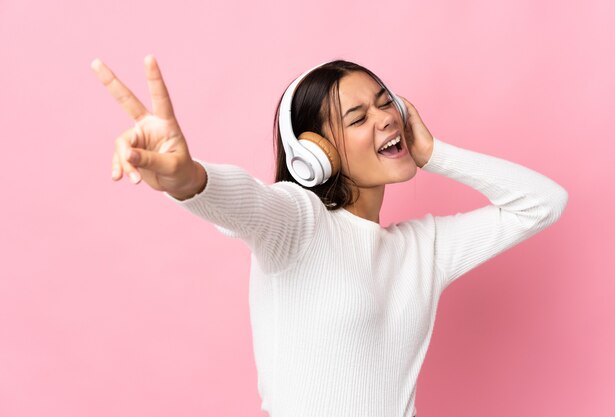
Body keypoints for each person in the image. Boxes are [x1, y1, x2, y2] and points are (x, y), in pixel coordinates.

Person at [91, 55, 568, 417]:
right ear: (312, 154)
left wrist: (436, 153)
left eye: (388, 103)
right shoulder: (300, 224)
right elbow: (246, 202)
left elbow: (543, 203)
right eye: (357, 118)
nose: (385, 118)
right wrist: (185, 178)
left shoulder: (423, 250)